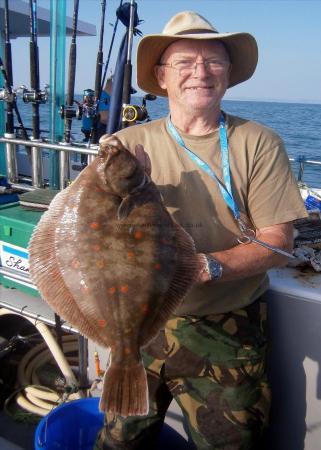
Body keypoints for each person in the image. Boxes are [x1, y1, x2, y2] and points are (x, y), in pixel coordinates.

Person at [95, 11, 308, 450]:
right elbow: (93, 234)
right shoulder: (125, 146)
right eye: (185, 62)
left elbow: (278, 242)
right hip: (138, 326)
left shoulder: (258, 143)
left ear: (228, 74)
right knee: (117, 442)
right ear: (161, 75)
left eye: (213, 61)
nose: (200, 73)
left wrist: (203, 267)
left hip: (227, 330)